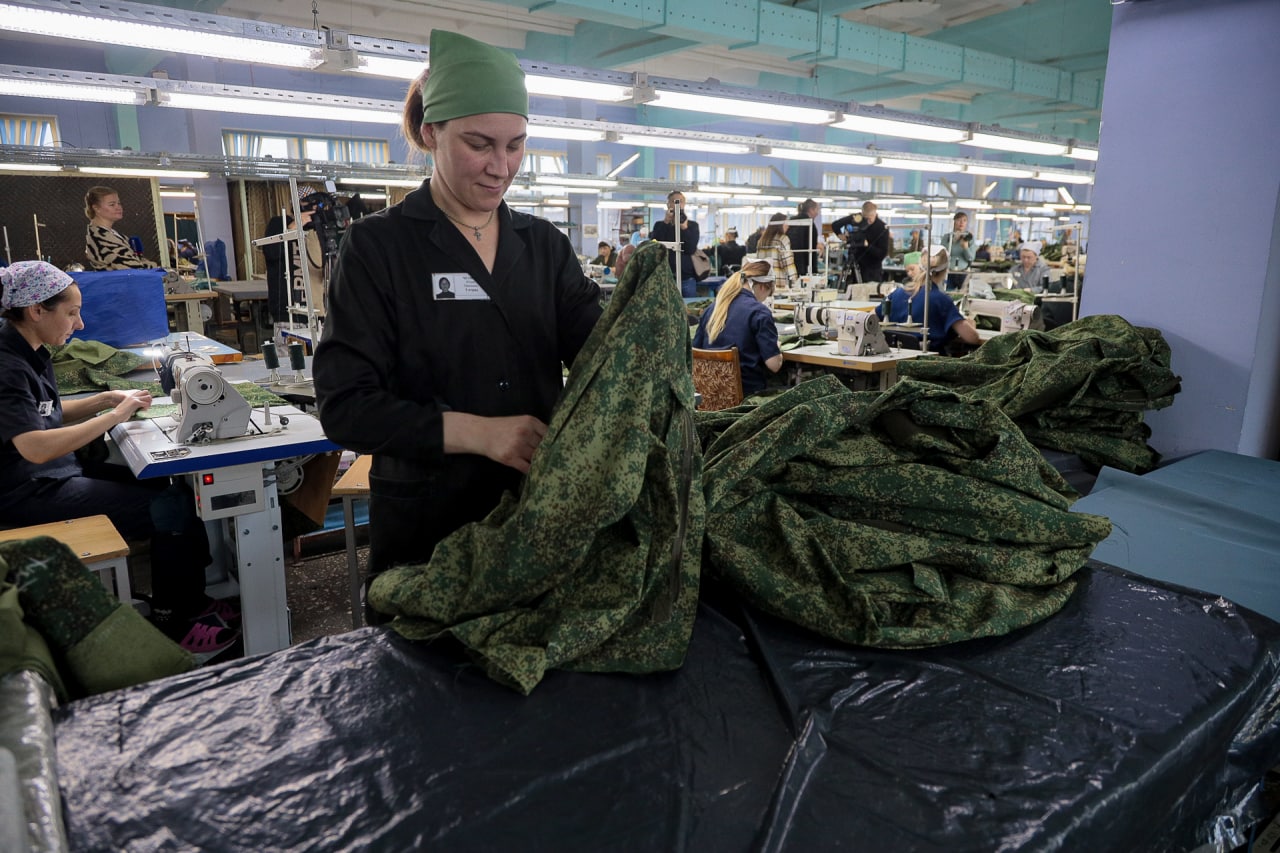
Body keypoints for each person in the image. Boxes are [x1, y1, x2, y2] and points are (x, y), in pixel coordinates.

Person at [312, 30, 603, 594]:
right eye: (480, 144)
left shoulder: (543, 247)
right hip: (429, 528)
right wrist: (480, 433)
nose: (501, 166)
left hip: (536, 518)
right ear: (431, 133)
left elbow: (601, 354)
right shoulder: (379, 248)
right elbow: (346, 408)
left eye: (515, 145)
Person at [0, 261, 236, 654]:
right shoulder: (7, 365)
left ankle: (192, 597)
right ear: (36, 310)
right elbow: (35, 446)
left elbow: (45, 413)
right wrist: (115, 416)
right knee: (169, 510)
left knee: (167, 487)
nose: (79, 325)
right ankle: (176, 620)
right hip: (27, 491)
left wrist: (106, 399)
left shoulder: (28, 348)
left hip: (49, 473)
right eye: (72, 313)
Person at [692, 259, 783, 395]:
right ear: (763, 287)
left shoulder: (712, 309)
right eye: (769, 294)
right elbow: (774, 365)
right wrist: (776, 348)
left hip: (710, 395)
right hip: (747, 397)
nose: (766, 299)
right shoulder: (759, 312)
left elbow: (696, 352)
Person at [875, 247, 980, 353]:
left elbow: (870, 319)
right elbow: (972, 338)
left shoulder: (896, 294)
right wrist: (971, 326)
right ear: (945, 271)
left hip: (893, 356)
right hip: (926, 359)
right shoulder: (941, 300)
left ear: (920, 267)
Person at [83, 186, 161, 271]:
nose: (118, 207)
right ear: (96, 208)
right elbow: (133, 268)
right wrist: (157, 267)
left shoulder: (112, 234)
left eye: (119, 203)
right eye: (112, 204)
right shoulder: (100, 238)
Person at [261, 208, 311, 326]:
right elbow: (271, 252)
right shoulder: (279, 223)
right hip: (288, 314)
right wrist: (291, 229)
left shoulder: (319, 226)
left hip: (321, 312)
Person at [650, 190, 700, 297]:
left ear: (684, 204)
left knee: (688, 306)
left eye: (681, 201)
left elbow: (691, 249)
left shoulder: (692, 226)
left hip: (686, 278)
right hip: (665, 276)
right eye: (674, 201)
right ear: (668, 204)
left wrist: (684, 228)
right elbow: (655, 246)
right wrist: (666, 222)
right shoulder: (659, 225)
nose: (678, 204)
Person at [831, 201, 889, 284]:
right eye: (865, 218)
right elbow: (835, 225)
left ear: (875, 214)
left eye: (870, 218)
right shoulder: (856, 218)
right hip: (855, 261)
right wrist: (841, 235)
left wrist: (867, 246)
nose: (867, 221)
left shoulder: (882, 227)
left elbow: (882, 253)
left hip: (872, 269)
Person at [754, 213, 798, 290]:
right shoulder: (783, 239)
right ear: (780, 224)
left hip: (763, 285)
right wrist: (795, 283)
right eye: (786, 223)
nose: (788, 226)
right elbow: (788, 264)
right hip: (778, 285)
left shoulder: (761, 240)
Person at [786, 198, 821, 277]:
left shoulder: (792, 221)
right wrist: (814, 270)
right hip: (804, 266)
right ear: (811, 210)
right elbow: (811, 247)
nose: (817, 213)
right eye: (817, 210)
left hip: (790, 262)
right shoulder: (809, 225)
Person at [943, 212, 974, 288]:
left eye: (964, 220)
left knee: (962, 293)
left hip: (963, 273)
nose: (961, 222)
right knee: (947, 291)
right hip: (948, 272)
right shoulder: (947, 237)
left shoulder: (969, 238)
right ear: (954, 221)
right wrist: (953, 241)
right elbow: (943, 254)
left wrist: (965, 248)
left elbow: (971, 258)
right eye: (959, 220)